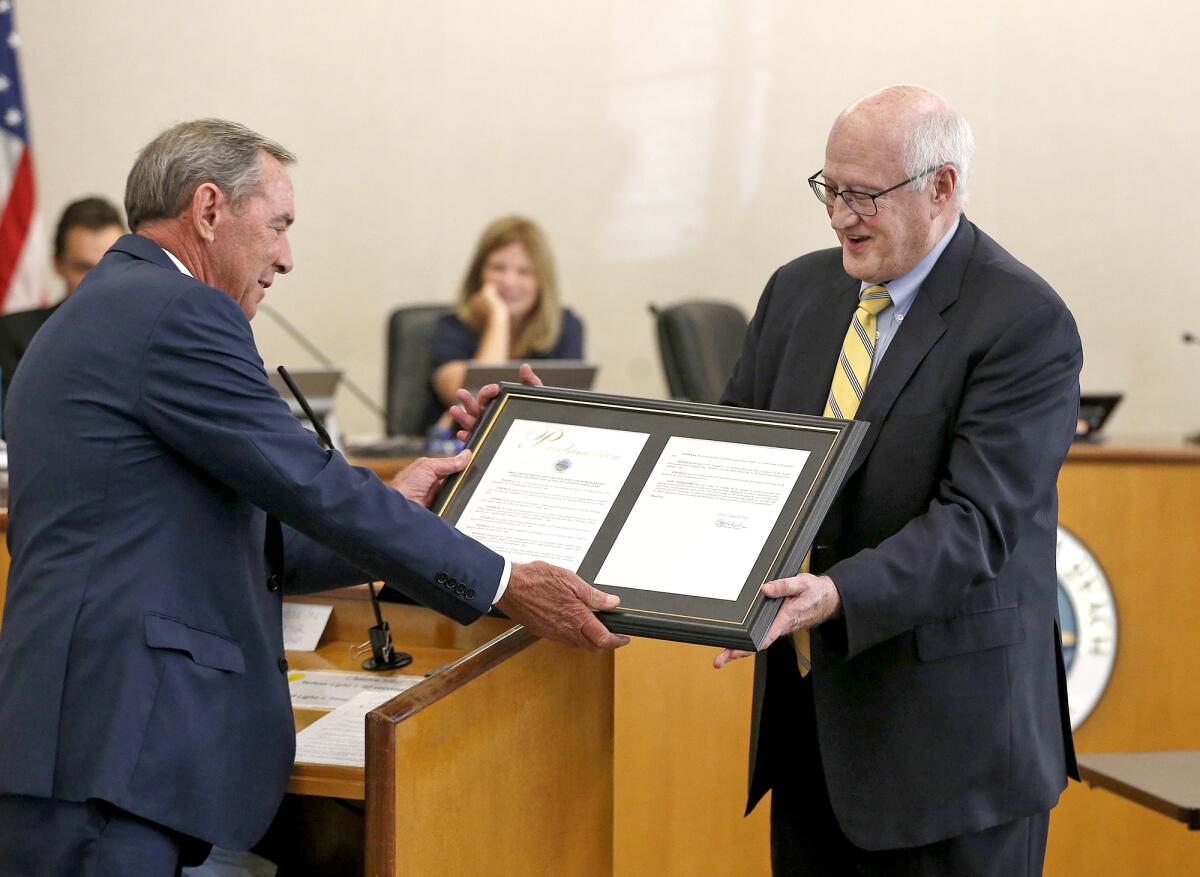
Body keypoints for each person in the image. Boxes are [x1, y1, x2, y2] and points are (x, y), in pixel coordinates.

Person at [455, 86, 1083, 877]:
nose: (840, 216)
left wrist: (836, 593)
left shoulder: (1023, 319)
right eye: (830, 189)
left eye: (864, 195)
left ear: (943, 186)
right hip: (814, 738)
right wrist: (558, 438)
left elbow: (975, 524)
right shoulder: (800, 291)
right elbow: (712, 456)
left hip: (954, 752)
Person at [0, 119, 626, 877]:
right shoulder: (175, 311)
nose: (287, 258)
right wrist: (503, 581)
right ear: (208, 210)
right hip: (111, 754)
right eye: (280, 226)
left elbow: (256, 538)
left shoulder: (116, 306)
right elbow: (312, 482)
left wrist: (403, 499)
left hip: (91, 750)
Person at [422, 215, 584, 434]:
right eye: (498, 268)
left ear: (542, 281)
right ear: (479, 274)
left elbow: (569, 414)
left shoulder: (566, 327)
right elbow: (475, 399)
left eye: (524, 271)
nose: (509, 282)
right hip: (460, 456)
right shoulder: (452, 327)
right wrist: (498, 319)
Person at [0, 196, 125, 393]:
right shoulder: (13, 335)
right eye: (83, 267)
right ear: (57, 264)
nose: (98, 279)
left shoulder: (154, 335)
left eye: (110, 264)